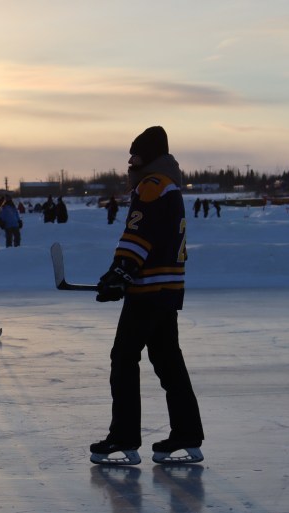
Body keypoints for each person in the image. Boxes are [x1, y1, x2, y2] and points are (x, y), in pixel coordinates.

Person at [89, 126, 204, 466]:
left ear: (149, 156)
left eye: (135, 155)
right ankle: (187, 434)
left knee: (123, 357)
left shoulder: (151, 186)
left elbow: (139, 233)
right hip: (167, 290)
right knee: (168, 362)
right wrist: (118, 274)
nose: (130, 162)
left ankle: (124, 438)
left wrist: (121, 272)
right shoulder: (169, 185)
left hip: (149, 290)